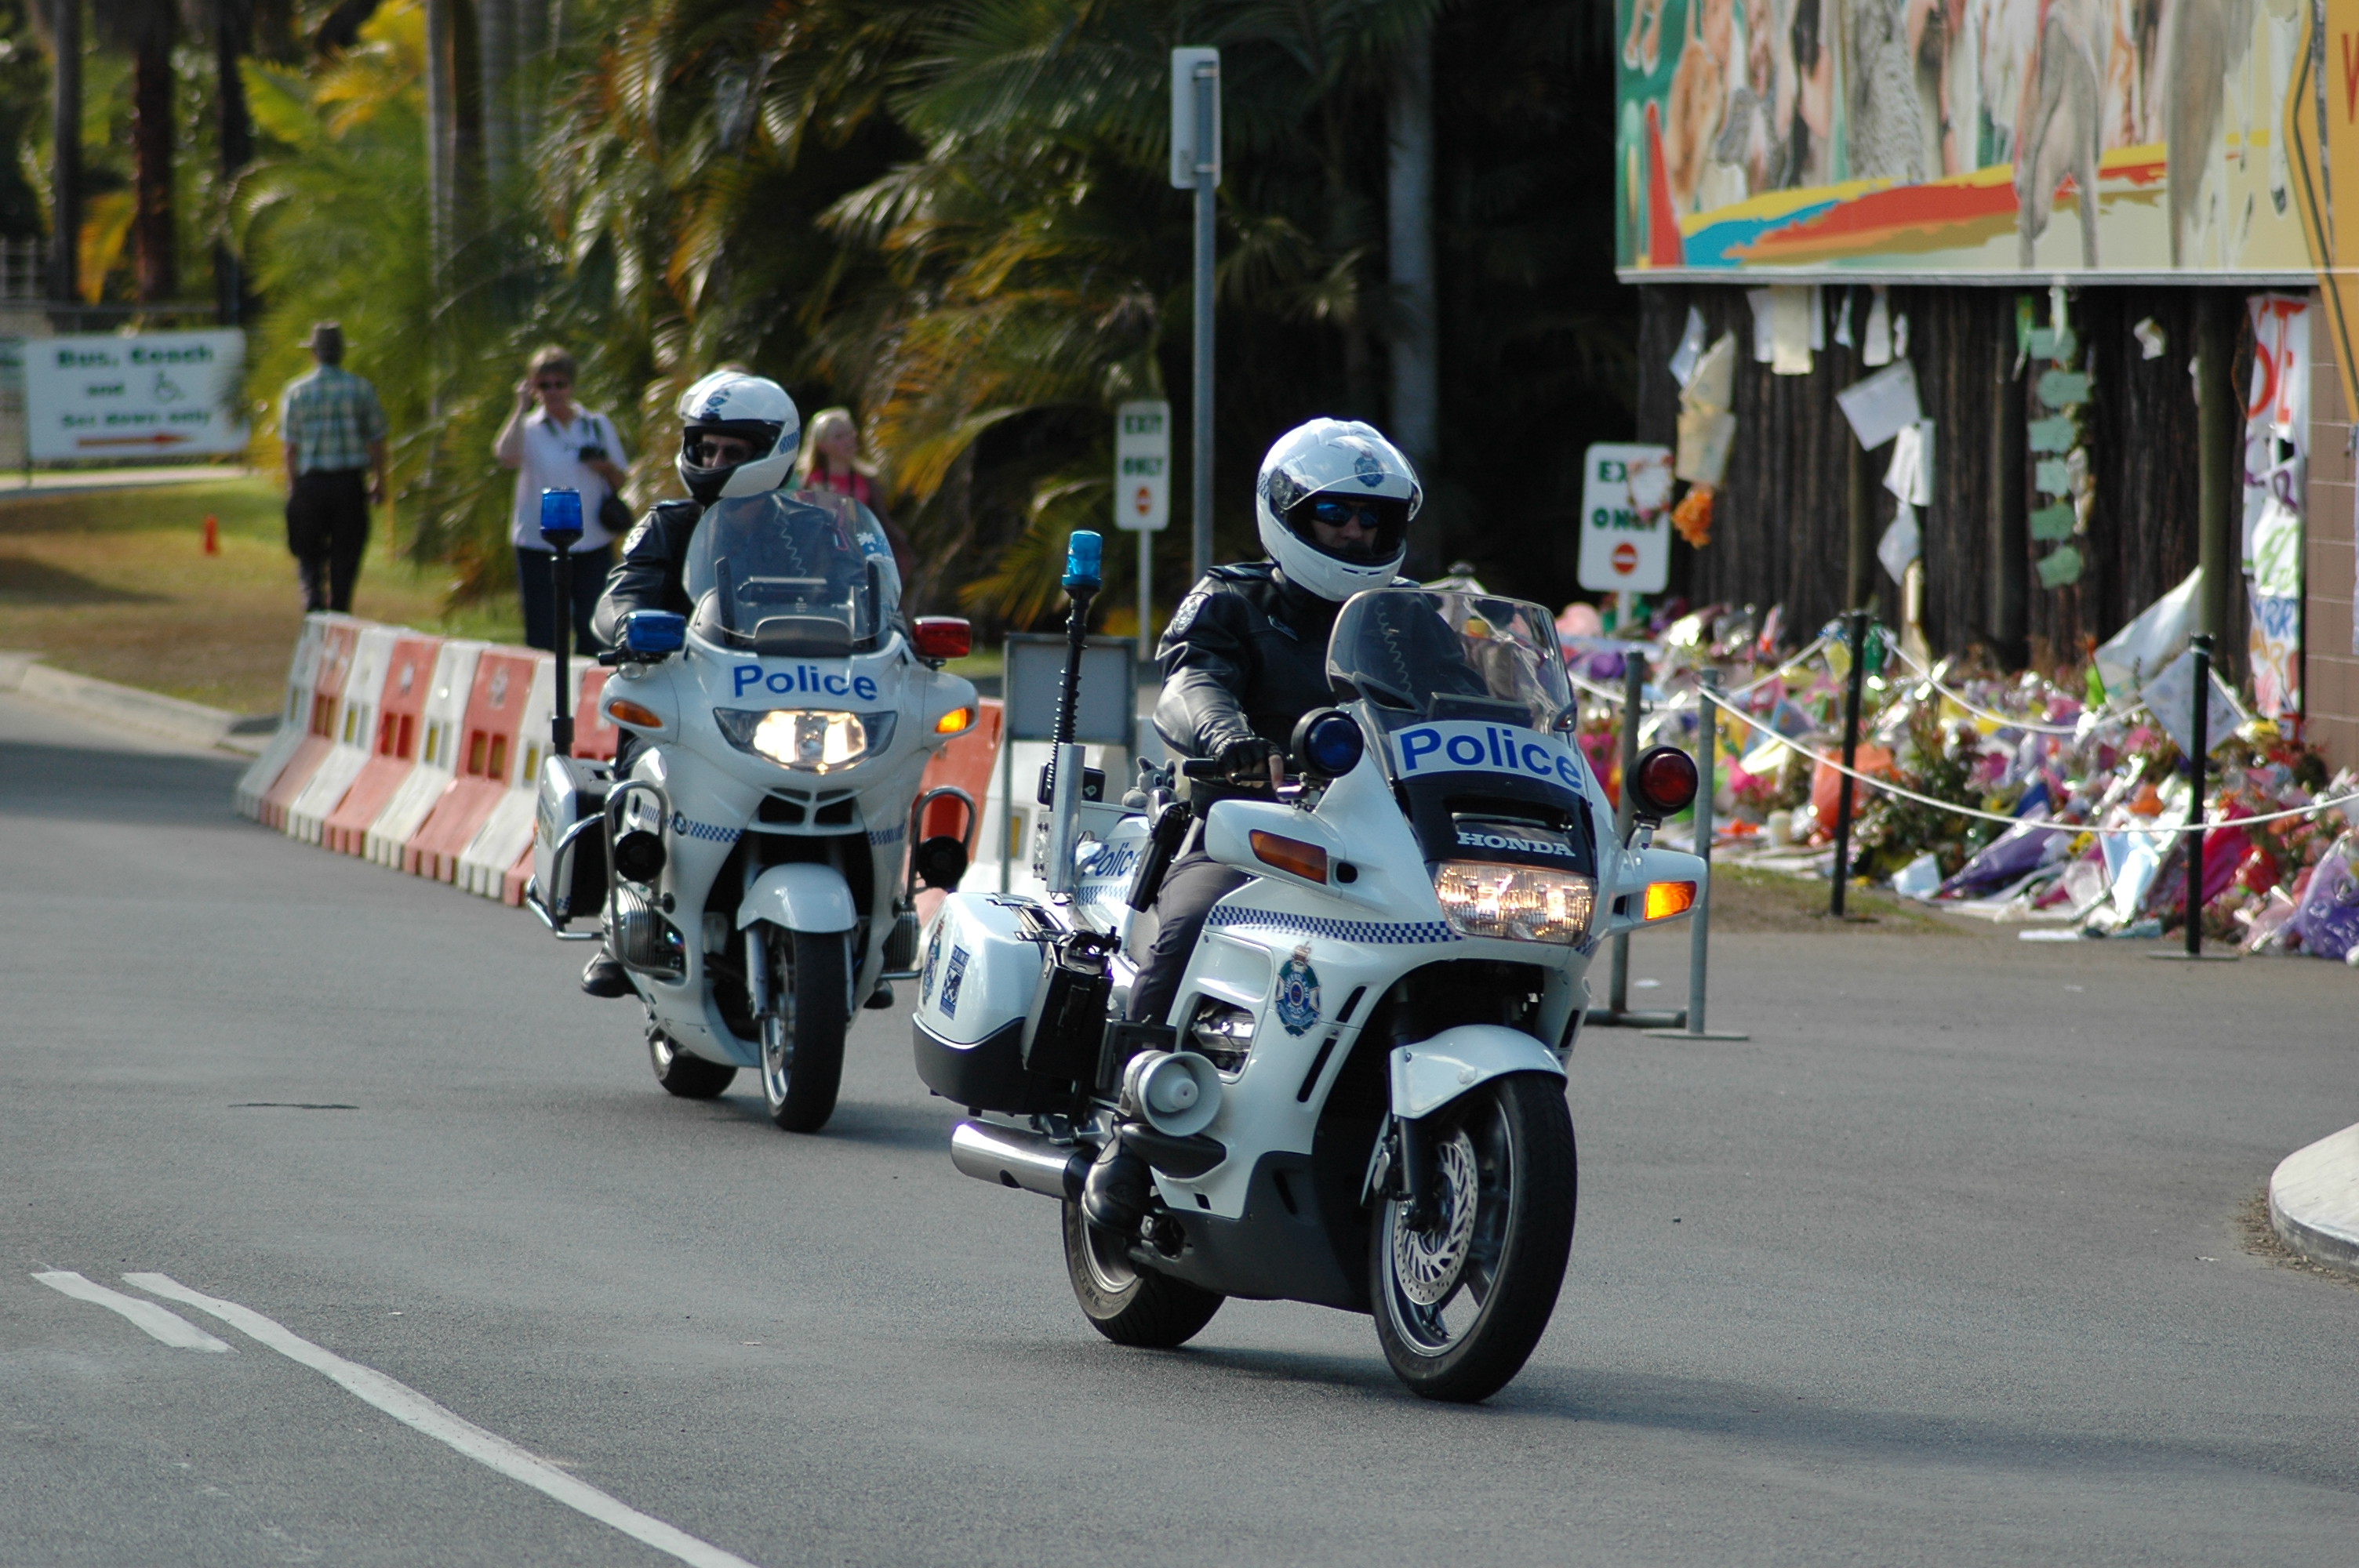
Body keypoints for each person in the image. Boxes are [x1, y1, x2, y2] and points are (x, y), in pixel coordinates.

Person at [1082, 417, 1423, 1231]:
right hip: (1250, 827)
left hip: (1380, 842)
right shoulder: (1234, 596)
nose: (1353, 530)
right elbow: (1189, 681)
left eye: (1370, 517)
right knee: (1192, 918)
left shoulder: (1410, 618)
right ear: (1289, 513)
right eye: (1334, 512)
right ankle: (1129, 1137)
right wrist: (1227, 737)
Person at [579, 368, 807, 999]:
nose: (714, 460)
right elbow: (620, 592)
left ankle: (876, 917)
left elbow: (864, 594)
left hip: (788, 702)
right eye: (706, 448)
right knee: (638, 753)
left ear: (772, 452)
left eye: (732, 451)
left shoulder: (813, 532)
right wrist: (629, 623)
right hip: (693, 700)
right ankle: (618, 913)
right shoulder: (668, 525)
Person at [494, 346, 631, 653]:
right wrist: (520, 407)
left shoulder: (595, 424)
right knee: (543, 630)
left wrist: (604, 466)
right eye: (544, 385)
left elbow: (622, 478)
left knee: (593, 626)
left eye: (560, 384)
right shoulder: (527, 428)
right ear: (533, 387)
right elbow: (506, 456)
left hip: (591, 539)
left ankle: (586, 695)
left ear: (571, 385)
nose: (553, 392)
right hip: (539, 542)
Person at [280, 321, 389, 614]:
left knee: (308, 552)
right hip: (349, 484)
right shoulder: (361, 388)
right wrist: (379, 480)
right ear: (341, 353)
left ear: (314, 352)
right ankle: (340, 609)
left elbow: (290, 447)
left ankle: (314, 603)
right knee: (346, 554)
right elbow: (377, 440)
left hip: (311, 484)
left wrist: (293, 486)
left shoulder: (297, 392)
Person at [794, 405, 916, 587]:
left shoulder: (867, 480)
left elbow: (880, 523)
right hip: (825, 566)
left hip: (865, 562)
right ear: (822, 446)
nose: (849, 440)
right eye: (838, 437)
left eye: (850, 433)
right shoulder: (813, 483)